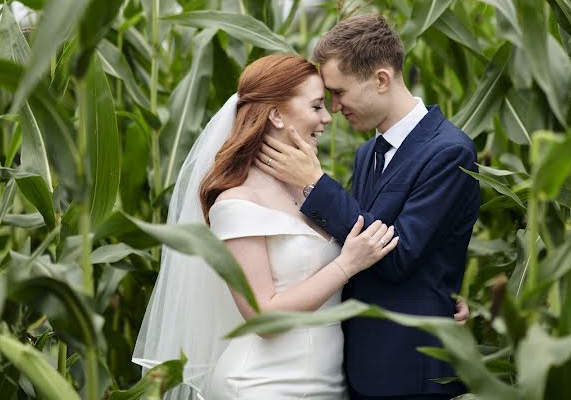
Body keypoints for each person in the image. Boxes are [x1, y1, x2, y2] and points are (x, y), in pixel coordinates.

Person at [133, 54, 398, 399]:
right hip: (262, 384)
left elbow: (367, 262)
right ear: (275, 115)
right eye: (316, 106)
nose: (326, 118)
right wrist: (346, 264)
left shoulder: (312, 192)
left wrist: (434, 304)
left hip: (329, 385)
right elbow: (263, 316)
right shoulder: (238, 202)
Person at [256, 15, 481, 399]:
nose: (335, 107)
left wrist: (314, 183)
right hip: (359, 366)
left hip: (411, 370)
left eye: (340, 92)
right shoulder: (367, 154)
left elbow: (397, 254)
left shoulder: (449, 151)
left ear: (381, 79)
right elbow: (354, 242)